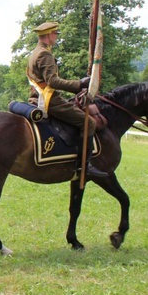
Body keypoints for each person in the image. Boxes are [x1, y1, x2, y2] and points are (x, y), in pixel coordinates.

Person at [27, 21, 107, 178]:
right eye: (55, 34)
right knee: (89, 123)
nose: (56, 37)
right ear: (49, 35)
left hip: (38, 98)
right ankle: (84, 167)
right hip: (49, 100)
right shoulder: (44, 54)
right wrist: (79, 84)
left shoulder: (35, 53)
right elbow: (52, 82)